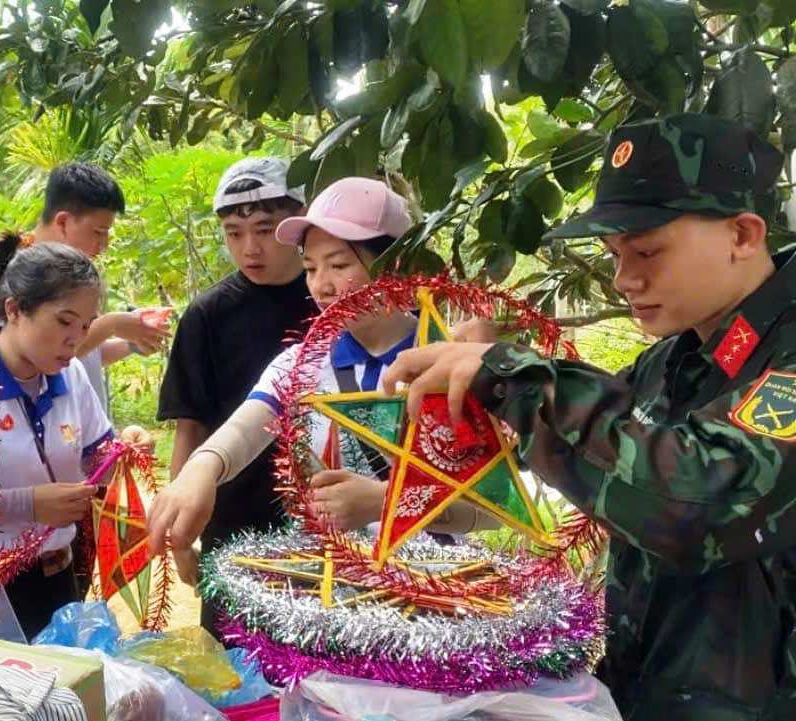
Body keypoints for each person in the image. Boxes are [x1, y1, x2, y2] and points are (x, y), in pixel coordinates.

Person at [379, 113, 795, 720]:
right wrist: (481, 399)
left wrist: (516, 376)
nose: (626, 279)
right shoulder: (670, 362)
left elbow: (695, 503)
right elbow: (608, 466)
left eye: (649, 250)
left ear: (743, 234)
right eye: (614, 254)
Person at [149, 177, 495, 584]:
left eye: (339, 264)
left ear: (395, 267)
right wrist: (200, 471)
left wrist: (387, 501)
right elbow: (244, 431)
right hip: (328, 592)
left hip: (433, 593)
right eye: (311, 268)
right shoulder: (300, 365)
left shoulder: (452, 363)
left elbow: (491, 508)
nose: (321, 286)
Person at [154, 157, 315, 630]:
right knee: (236, 673)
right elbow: (192, 423)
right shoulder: (208, 315)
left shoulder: (334, 299)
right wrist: (183, 531)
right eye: (234, 233)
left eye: (265, 229)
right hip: (234, 520)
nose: (250, 248)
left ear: (298, 221)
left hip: (328, 520)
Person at [0, 235, 147, 638]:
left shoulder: (69, 377)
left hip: (60, 575)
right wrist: (28, 505)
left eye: (86, 326)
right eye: (64, 322)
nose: (76, 340)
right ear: (14, 310)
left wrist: (120, 451)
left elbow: (95, 455)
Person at [21, 162, 169, 414]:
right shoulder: (21, 274)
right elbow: (42, 354)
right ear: (64, 222)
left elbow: (85, 355)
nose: (104, 244)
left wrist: (132, 343)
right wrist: (113, 324)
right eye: (99, 232)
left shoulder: (72, 273)